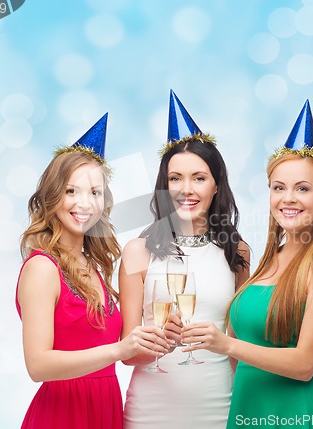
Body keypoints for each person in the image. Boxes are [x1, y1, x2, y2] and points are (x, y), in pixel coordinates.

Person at [182, 100, 313, 428]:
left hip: (294, 416)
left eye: (303, 188)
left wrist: (227, 344)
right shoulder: (267, 261)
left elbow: (303, 364)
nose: (288, 198)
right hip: (246, 413)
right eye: (278, 188)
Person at [16, 113, 169, 429]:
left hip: (104, 409)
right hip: (62, 415)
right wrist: (118, 350)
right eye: (71, 191)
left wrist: (167, 333)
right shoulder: (43, 268)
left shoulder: (94, 267)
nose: (83, 203)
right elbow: (38, 364)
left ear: (104, 202)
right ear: (52, 196)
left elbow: (128, 343)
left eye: (94, 192)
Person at [120, 90, 250, 429]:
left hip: (220, 405)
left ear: (216, 186)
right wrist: (162, 341)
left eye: (199, 178)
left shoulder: (238, 252)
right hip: (151, 410)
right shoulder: (138, 251)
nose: (185, 189)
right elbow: (127, 353)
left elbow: (240, 345)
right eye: (175, 178)